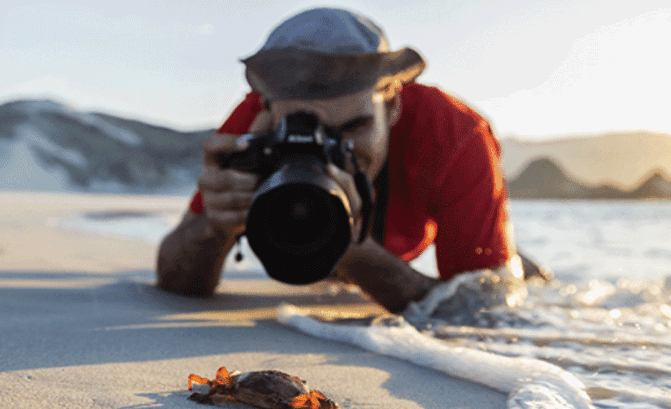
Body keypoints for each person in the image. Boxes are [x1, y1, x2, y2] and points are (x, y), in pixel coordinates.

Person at [156, 7, 545, 319]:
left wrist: (349, 248)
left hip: (407, 240)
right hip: (371, 257)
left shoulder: (454, 134)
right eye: (303, 127)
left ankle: (521, 259)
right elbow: (175, 277)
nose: (329, 148)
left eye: (352, 126)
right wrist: (215, 225)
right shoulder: (255, 126)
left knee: (519, 279)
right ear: (269, 109)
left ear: (393, 103)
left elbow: (483, 310)